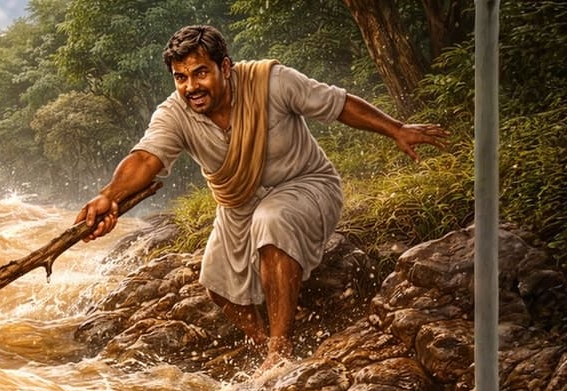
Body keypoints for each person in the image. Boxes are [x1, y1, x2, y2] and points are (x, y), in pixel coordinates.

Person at [79, 24, 448, 371]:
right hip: (238, 203)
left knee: (272, 218)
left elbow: (338, 105)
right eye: (181, 77)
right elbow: (145, 158)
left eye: (200, 72)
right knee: (216, 279)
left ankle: (280, 349)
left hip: (307, 184)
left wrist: (396, 129)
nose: (191, 86)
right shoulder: (175, 114)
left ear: (225, 67)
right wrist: (108, 196)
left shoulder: (270, 82)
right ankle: (262, 343)